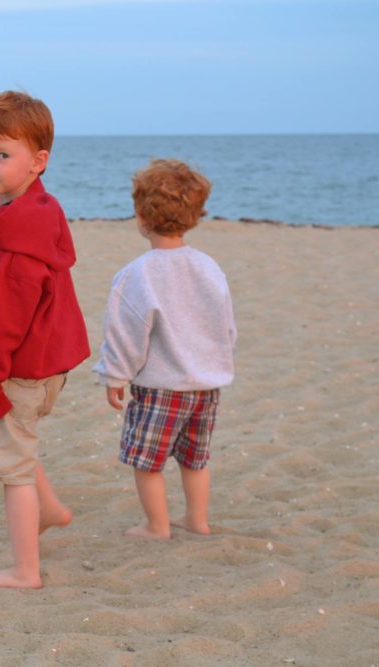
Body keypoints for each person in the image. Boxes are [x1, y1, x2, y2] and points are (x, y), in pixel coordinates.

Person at [0, 91, 90, 589]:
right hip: (44, 365)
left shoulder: (18, 241)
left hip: (16, 369)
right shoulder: (34, 208)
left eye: (2, 155)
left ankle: (25, 571)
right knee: (22, 443)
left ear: (38, 162)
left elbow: (3, 321)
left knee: (13, 471)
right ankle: (50, 508)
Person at [93, 159, 236, 540]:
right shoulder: (208, 267)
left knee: (147, 461)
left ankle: (157, 526)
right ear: (195, 215)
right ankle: (197, 520)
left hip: (161, 387)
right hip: (205, 386)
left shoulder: (137, 273)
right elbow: (226, 325)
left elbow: (125, 334)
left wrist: (115, 375)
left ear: (141, 217)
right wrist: (217, 362)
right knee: (195, 458)